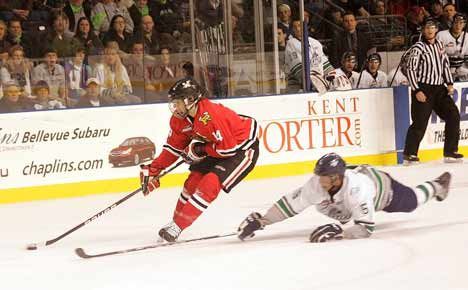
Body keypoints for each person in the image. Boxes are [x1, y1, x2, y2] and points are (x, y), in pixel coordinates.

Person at [140, 76, 260, 242]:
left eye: (178, 102)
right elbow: (174, 148)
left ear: (190, 100)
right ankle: (175, 224)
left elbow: (228, 149)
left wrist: (200, 149)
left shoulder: (210, 115)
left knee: (210, 183)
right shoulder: (179, 119)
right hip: (216, 145)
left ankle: (178, 226)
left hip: (242, 148)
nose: (175, 107)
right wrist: (154, 168)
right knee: (192, 181)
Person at [237, 152, 452, 242]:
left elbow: (366, 229)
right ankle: (344, 213)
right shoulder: (318, 183)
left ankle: (438, 186)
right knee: (321, 204)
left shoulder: (357, 189)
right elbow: (288, 206)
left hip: (381, 190)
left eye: (325, 177)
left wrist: (339, 233)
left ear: (336, 177)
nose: (319, 181)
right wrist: (262, 221)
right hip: (345, 203)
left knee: (412, 202)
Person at [404, 17, 463, 164]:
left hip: (439, 88)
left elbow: (444, 65)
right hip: (423, 88)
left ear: (436, 29)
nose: (430, 30)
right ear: (423, 30)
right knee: (420, 123)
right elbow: (411, 69)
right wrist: (416, 90)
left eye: (432, 27)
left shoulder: (440, 45)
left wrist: (449, 83)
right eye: (427, 27)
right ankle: (409, 154)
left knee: (453, 114)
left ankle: (450, 152)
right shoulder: (418, 47)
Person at [284, 19, 334, 93]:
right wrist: (312, 84)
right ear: (292, 29)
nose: (297, 29)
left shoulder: (315, 43)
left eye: (299, 26)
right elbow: (299, 71)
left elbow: (325, 65)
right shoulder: (291, 44)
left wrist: (333, 78)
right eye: (295, 27)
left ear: (305, 27)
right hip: (298, 87)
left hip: (318, 85)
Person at [437, 13, 468, 81]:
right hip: (445, 68)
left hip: (462, 69)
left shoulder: (467, 37)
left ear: (464, 24)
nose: (458, 25)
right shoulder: (441, 35)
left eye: (461, 23)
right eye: (456, 22)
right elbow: (437, 56)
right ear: (452, 23)